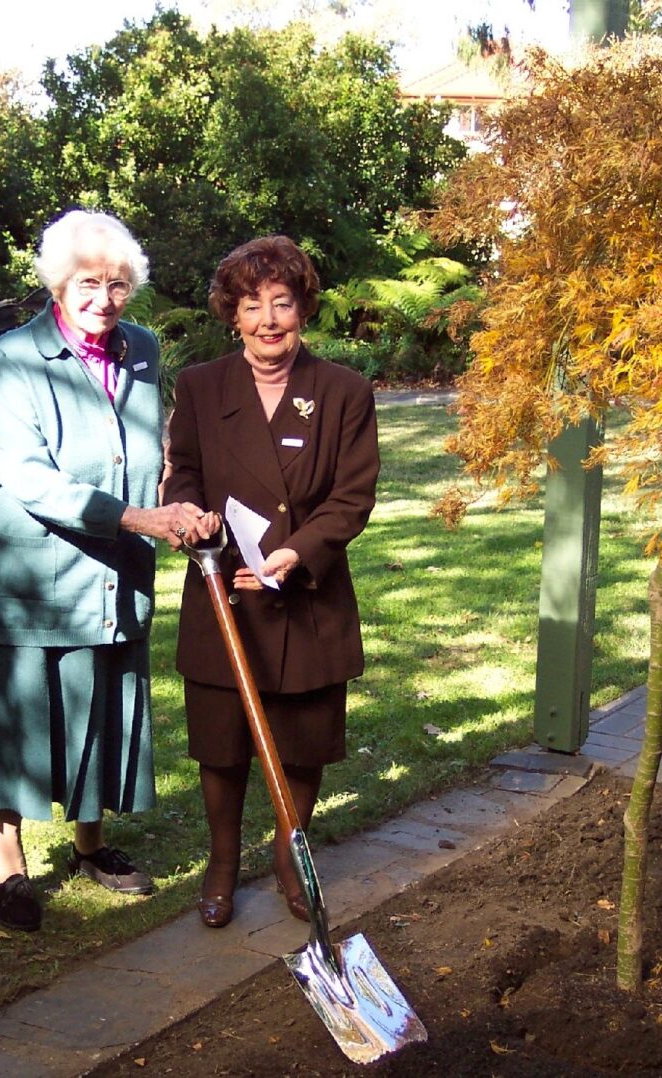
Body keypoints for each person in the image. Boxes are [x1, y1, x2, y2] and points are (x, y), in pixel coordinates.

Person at [0, 209, 214, 932]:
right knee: (24, 712)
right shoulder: (10, 358)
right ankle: (9, 858)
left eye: (120, 285)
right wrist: (141, 520)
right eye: (89, 284)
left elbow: (142, 450)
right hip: (30, 570)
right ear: (59, 285)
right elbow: (31, 479)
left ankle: (92, 846)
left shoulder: (142, 349)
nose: (104, 299)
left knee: (101, 698)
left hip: (112, 564)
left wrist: (173, 503)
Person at [163, 234, 380, 927]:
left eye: (282, 303)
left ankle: (290, 855)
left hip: (306, 599)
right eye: (252, 305)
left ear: (303, 310)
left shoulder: (344, 391)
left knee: (303, 741)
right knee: (222, 746)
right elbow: (185, 471)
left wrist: (297, 553)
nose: (268, 320)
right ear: (232, 315)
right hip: (225, 593)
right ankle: (222, 863)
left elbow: (353, 497)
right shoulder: (200, 387)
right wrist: (191, 514)